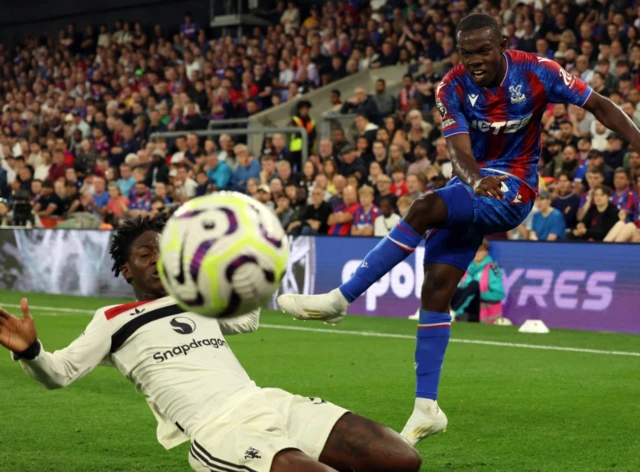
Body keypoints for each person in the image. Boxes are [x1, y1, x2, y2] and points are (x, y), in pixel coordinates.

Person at [278, 13, 640, 446]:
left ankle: (341, 298)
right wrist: (473, 181)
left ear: (503, 42)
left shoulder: (539, 72)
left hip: (515, 188)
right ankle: (426, 408)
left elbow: (598, 104)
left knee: (425, 207)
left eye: (484, 50)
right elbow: (458, 151)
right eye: (466, 53)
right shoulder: (450, 86)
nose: (475, 61)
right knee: (436, 287)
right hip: (473, 185)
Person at [0, 216, 421, 472]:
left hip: (266, 401)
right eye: (148, 254)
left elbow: (249, 316)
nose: (160, 258)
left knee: (401, 459)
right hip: (218, 430)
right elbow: (58, 374)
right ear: (126, 270)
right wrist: (30, 350)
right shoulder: (112, 320)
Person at [450, 240, 505, 323]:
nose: (477, 253)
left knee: (474, 285)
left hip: (480, 307)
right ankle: (443, 313)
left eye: (480, 250)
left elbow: (499, 294)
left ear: (486, 252)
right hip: (464, 308)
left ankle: (453, 313)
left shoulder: (492, 269)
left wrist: (479, 294)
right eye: (475, 250)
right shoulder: (465, 266)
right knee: (451, 287)